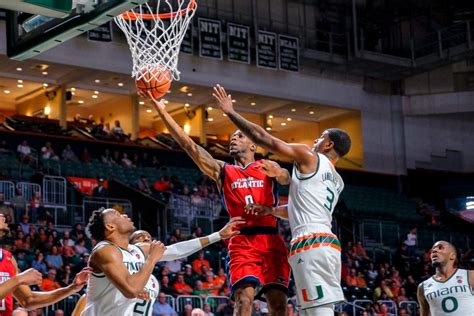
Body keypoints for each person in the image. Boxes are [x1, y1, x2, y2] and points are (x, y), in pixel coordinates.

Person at [145, 90, 291, 316]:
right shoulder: (224, 171)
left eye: (240, 136)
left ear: (253, 145)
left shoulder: (266, 166)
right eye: (232, 136)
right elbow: (190, 147)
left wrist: (281, 174)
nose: (234, 138)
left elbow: (287, 178)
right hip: (242, 241)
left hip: (271, 240)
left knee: (279, 305)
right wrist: (162, 111)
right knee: (244, 300)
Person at [213, 84, 351, 315]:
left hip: (310, 242)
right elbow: (299, 208)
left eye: (320, 138)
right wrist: (270, 211)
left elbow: (263, 138)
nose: (315, 141)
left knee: (317, 311)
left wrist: (230, 112)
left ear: (328, 145)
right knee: (315, 307)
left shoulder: (310, 157)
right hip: (329, 242)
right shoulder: (337, 180)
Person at [82, 208, 243, 315]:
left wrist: (218, 236)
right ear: (110, 226)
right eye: (118, 214)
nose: (124, 215)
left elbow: (176, 250)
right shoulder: (105, 250)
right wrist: (152, 259)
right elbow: (131, 290)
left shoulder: (137, 251)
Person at [0, 215, 89, 314]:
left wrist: (71, 288)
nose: (2, 215)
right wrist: (19, 279)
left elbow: (29, 300)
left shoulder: (8, 258)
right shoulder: (16, 276)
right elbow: (18, 281)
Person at [417, 241, 474, 316]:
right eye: (432, 250)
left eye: (440, 247)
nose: (434, 250)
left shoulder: (470, 275)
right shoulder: (423, 287)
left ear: (452, 256)